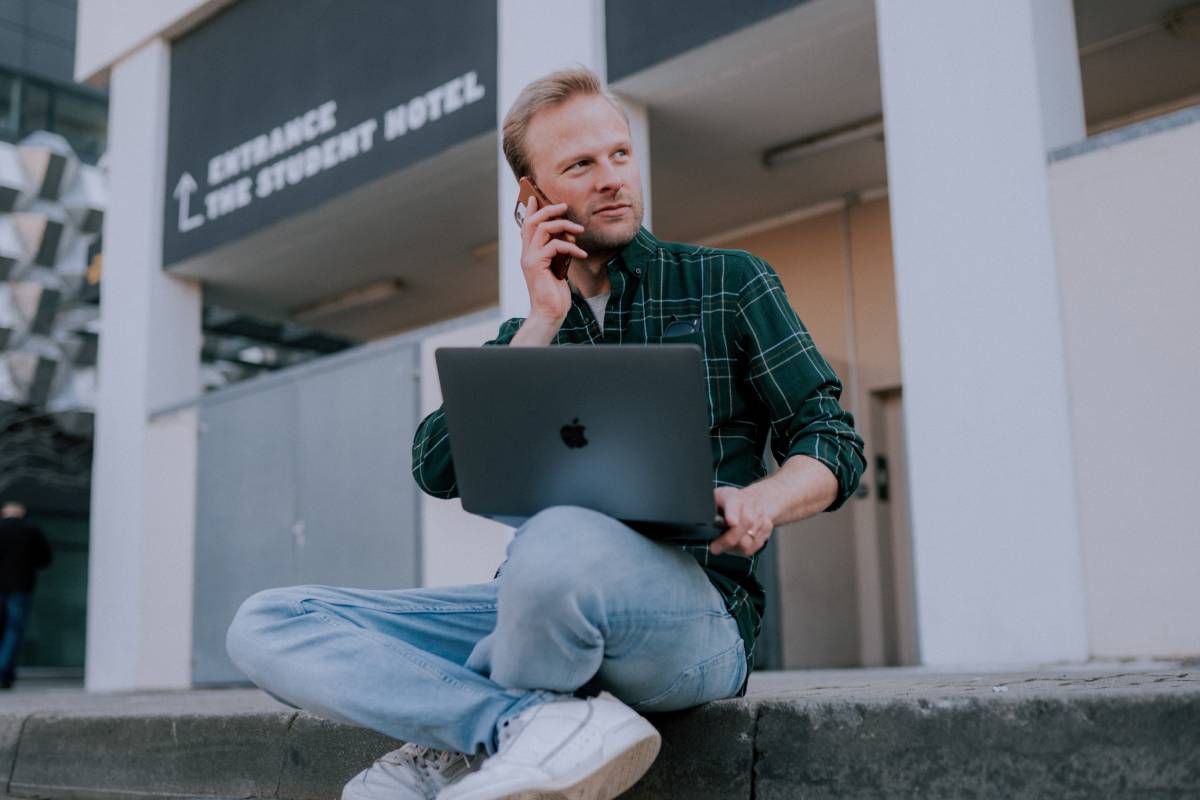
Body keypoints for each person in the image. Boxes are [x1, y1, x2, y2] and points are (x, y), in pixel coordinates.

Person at [226, 67, 865, 800]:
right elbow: (435, 466)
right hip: (534, 604)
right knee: (267, 622)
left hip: (696, 616)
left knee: (559, 536)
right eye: (580, 165)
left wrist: (763, 501)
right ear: (532, 198)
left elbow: (831, 441)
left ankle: (458, 740)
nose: (613, 179)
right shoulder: (529, 331)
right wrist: (540, 319)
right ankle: (513, 724)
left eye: (619, 154)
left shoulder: (729, 282)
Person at [0, 501, 54, 690]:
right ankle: (4, 671)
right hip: (20, 587)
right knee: (13, 631)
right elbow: (45, 558)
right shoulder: (31, 531)